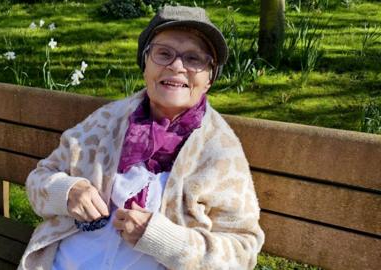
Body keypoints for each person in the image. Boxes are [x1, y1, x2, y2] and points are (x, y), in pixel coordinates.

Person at [18, 5, 264, 270]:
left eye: (194, 59)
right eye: (164, 54)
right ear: (145, 64)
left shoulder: (219, 151)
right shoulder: (105, 122)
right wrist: (67, 192)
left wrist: (166, 241)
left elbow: (243, 252)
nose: (177, 66)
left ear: (209, 78)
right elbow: (37, 183)